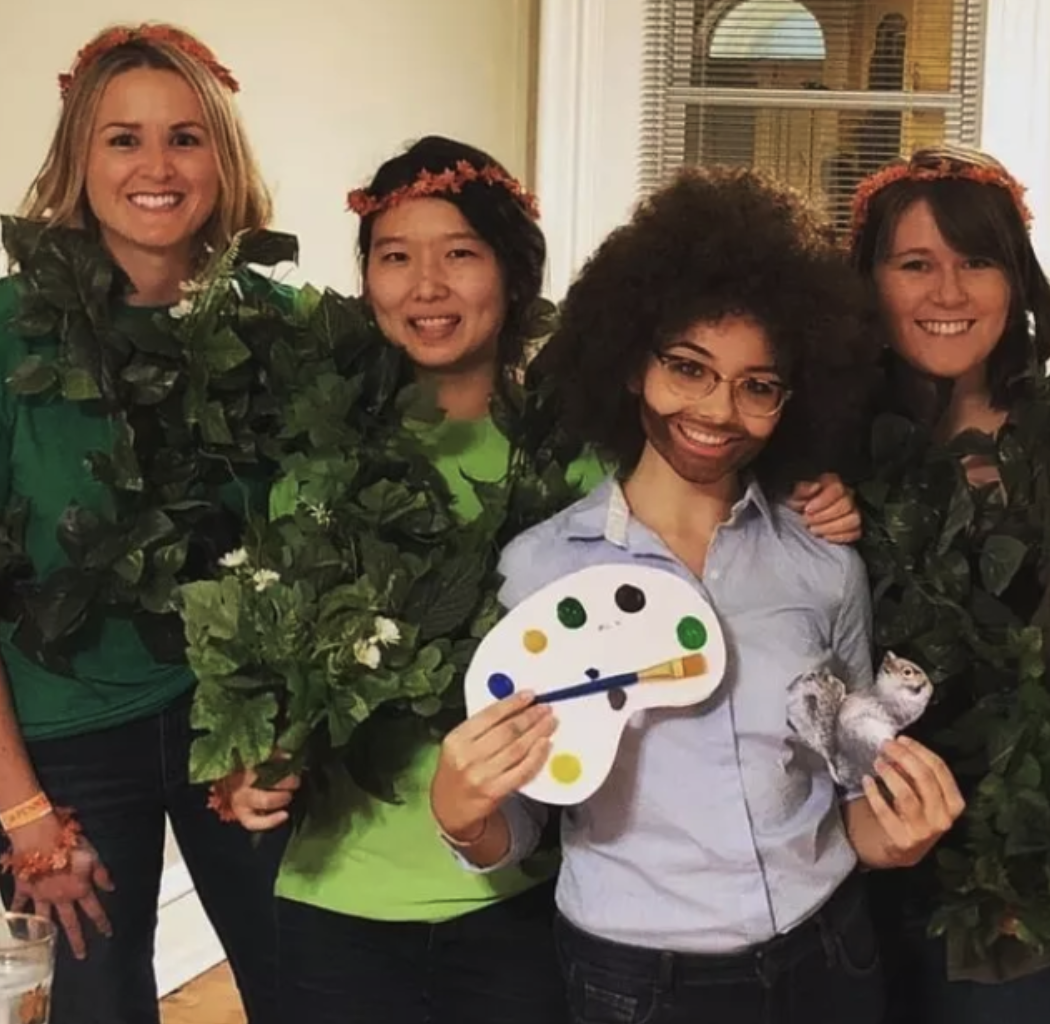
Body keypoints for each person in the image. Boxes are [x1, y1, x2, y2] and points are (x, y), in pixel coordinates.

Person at [223, 138, 863, 1024]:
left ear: (514, 274)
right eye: (395, 256)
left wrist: (808, 493)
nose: (427, 285)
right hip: (344, 888)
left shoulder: (578, 465)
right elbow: (271, 686)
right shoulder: (315, 470)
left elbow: (706, 462)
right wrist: (254, 760)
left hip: (524, 900)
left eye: (460, 253)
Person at [429, 166, 965, 1024]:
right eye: (688, 368)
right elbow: (523, 824)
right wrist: (462, 816)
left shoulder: (822, 563)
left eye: (758, 384)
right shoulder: (541, 571)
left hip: (828, 955)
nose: (718, 410)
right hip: (636, 984)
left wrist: (900, 838)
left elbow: (853, 792)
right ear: (630, 361)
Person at [0, 24, 286, 1024]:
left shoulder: (274, 328)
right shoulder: (8, 335)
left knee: (308, 980)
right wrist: (23, 811)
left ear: (225, 156)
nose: (157, 167)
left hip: (232, 727)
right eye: (124, 139)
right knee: (99, 1000)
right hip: (63, 734)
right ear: (80, 158)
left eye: (187, 137)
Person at [849, 145, 1050, 1023]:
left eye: (976, 262)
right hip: (839, 865)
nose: (949, 294)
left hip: (1008, 886)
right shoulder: (816, 443)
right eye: (916, 265)